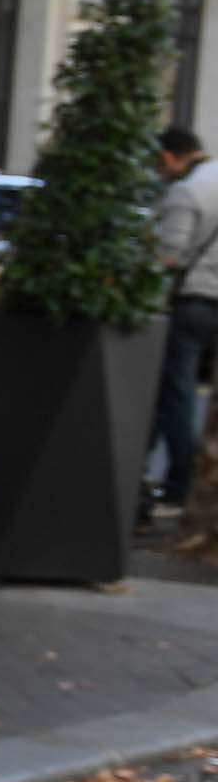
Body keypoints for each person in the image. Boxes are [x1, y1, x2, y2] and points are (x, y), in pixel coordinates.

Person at [149, 125, 218, 520]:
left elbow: (170, 257)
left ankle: (180, 483)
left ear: (171, 156)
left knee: (178, 393)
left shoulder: (186, 191)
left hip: (196, 302)